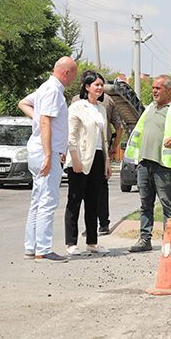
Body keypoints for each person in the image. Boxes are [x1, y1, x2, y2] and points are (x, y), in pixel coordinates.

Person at [18, 56, 78, 263]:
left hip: (39, 150)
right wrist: (49, 153)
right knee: (48, 200)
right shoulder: (53, 91)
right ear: (66, 73)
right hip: (46, 152)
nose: (75, 78)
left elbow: (23, 103)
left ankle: (31, 246)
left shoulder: (45, 88)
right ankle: (43, 248)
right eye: (74, 73)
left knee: (38, 198)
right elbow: (45, 122)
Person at [124, 75, 171, 252]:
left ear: (168, 90)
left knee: (167, 204)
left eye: (158, 88)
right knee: (145, 203)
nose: (154, 91)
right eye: (153, 88)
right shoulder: (150, 108)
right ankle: (144, 239)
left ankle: (168, 241)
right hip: (145, 164)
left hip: (163, 166)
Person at [63, 71, 112, 256]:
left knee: (94, 201)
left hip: (98, 158)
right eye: (96, 85)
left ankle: (92, 242)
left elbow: (104, 138)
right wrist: (74, 159)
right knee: (74, 200)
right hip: (81, 157)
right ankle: (71, 242)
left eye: (101, 85)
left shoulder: (101, 108)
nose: (99, 88)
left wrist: (107, 161)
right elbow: (71, 135)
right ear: (87, 87)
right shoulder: (77, 107)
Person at [72, 90, 124, 235]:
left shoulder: (75, 100)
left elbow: (71, 128)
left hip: (82, 150)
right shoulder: (108, 100)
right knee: (100, 189)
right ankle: (103, 224)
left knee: (83, 191)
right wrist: (114, 147)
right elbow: (119, 127)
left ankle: (89, 229)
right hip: (101, 150)